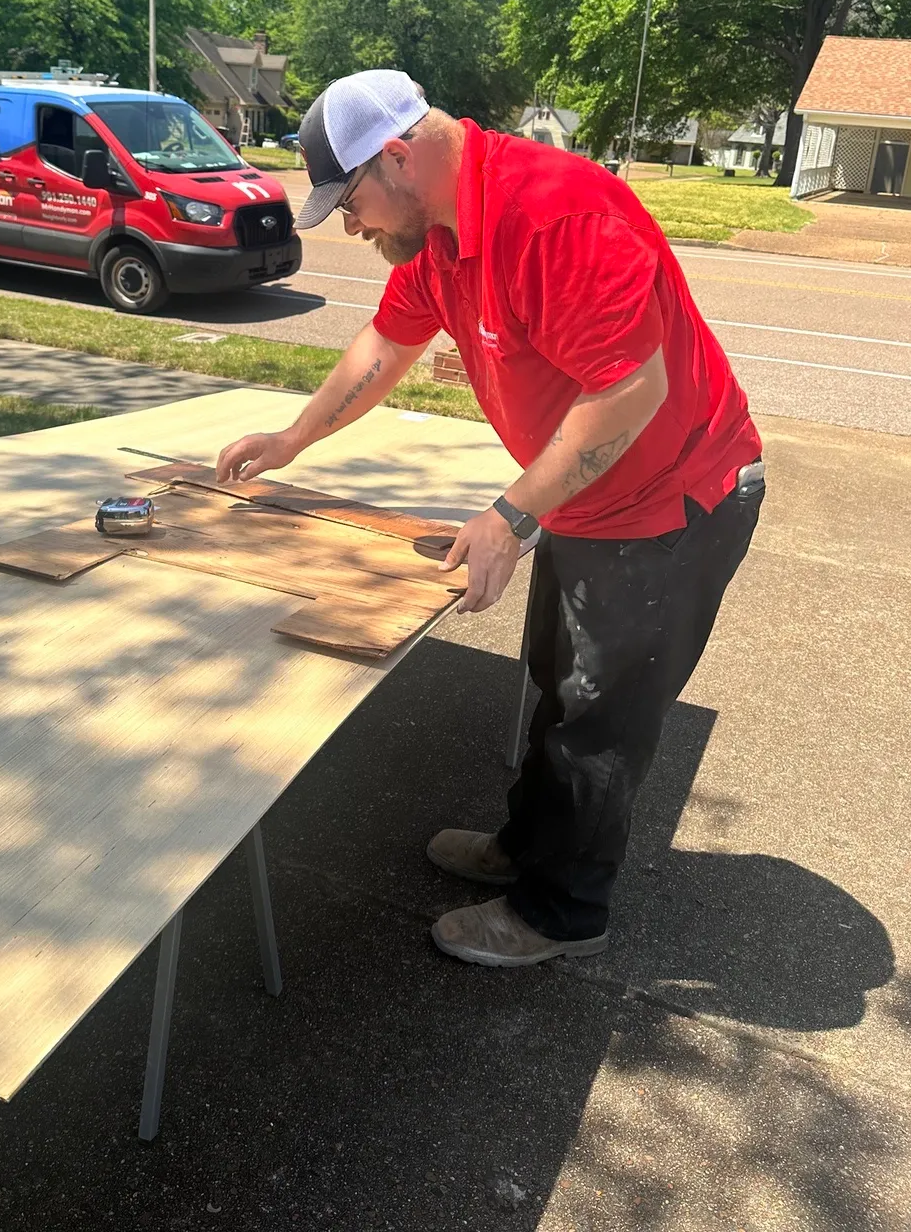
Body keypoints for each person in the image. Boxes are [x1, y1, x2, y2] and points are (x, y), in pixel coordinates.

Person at [216, 70, 764, 968]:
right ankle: (526, 850)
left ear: (397, 156)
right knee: (555, 683)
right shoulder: (438, 236)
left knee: (600, 720)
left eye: (349, 202)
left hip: (674, 497)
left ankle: (562, 915)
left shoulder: (557, 218)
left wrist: (510, 515)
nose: (351, 226)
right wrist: (292, 438)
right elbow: (385, 347)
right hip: (593, 498)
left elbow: (631, 391)